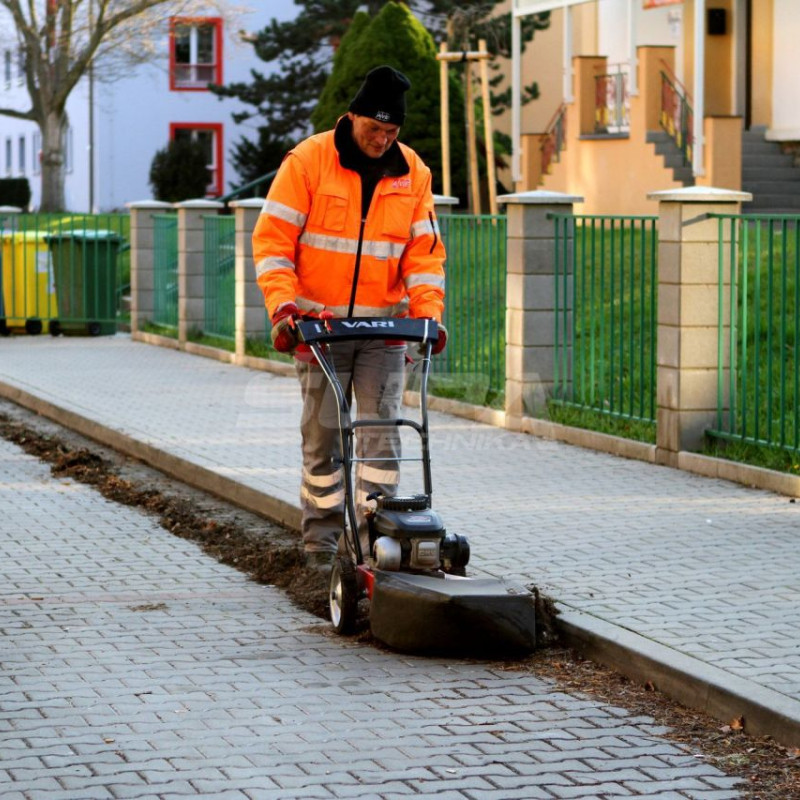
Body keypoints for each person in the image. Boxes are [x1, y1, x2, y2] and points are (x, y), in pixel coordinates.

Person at [252, 65, 447, 574]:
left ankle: (372, 542)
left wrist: (428, 316)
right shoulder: (309, 161)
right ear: (354, 116)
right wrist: (284, 308)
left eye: (391, 131)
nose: (382, 140)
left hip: (385, 331)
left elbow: (424, 256)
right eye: (374, 128)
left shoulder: (414, 173)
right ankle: (320, 544)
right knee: (325, 438)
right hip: (320, 330)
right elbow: (273, 243)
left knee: (383, 438)